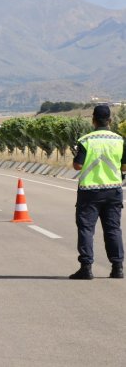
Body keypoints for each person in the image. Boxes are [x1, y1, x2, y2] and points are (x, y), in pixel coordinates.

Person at [69, 105, 126, 280]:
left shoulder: (86, 140)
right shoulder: (120, 140)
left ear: (93, 120)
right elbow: (124, 166)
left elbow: (78, 165)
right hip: (113, 191)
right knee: (113, 229)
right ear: (110, 120)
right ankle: (117, 268)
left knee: (86, 229)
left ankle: (86, 268)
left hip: (90, 192)